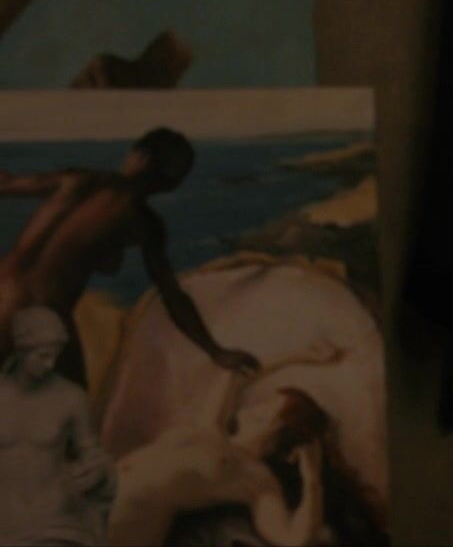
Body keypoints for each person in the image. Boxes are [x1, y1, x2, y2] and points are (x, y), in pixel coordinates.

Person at [0, 128, 259, 383]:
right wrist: (215, 351)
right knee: (71, 400)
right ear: (171, 183)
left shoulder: (77, 179)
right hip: (44, 312)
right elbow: (172, 295)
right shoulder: (144, 224)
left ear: (138, 157)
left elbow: (5, 184)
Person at [103, 339, 365, 547]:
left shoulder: (257, 479)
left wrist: (312, 480)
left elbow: (293, 539)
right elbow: (236, 372)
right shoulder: (212, 426)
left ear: (283, 438)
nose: (258, 408)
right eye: (265, 403)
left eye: (269, 413)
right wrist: (301, 354)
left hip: (127, 526)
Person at [0, 307, 114, 546]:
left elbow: (91, 452)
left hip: (55, 519)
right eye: (43, 356)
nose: (50, 364)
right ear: (22, 350)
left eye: (55, 356)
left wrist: (94, 470)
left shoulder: (70, 397)